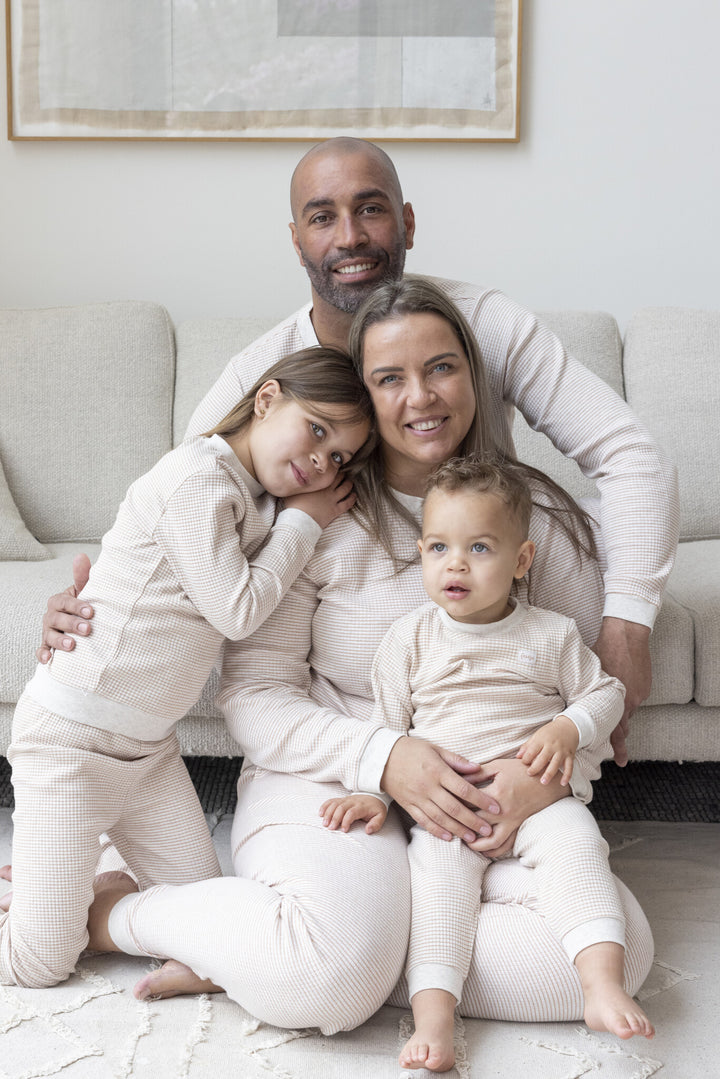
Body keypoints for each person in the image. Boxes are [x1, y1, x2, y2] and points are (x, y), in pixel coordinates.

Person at [75, 279, 657, 1040]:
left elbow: (574, 690)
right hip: (333, 779)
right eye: (389, 379)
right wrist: (385, 757)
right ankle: (118, 913)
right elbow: (253, 695)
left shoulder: (532, 523)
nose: (421, 397)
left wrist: (534, 779)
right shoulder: (307, 520)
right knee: (328, 982)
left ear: (475, 379)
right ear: (364, 395)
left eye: (443, 368)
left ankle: (302, 940)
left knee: (615, 952)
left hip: (483, 804)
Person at [39, 137, 678, 770]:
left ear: (407, 222)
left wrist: (626, 627)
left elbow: (629, 454)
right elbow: (180, 499)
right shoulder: (266, 375)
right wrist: (96, 602)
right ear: (296, 242)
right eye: (323, 217)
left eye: (371, 209)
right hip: (350, 586)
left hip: (484, 569)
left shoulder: (487, 322)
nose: (350, 236)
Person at [0, 347, 373, 988]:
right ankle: (47, 895)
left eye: (338, 456)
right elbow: (237, 609)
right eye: (317, 430)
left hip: (148, 755)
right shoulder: (198, 477)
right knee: (37, 965)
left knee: (207, 906)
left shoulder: (254, 498)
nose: (321, 461)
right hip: (71, 742)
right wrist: (304, 524)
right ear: (266, 399)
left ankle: (82, 883)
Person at [320, 455, 655, 1072]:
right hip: (449, 813)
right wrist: (375, 793)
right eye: (440, 547)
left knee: (581, 852)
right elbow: (388, 732)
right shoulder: (410, 640)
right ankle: (434, 1022)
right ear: (421, 552)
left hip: (539, 805)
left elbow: (604, 694)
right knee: (437, 894)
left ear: (521, 561)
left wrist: (565, 726)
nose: (456, 563)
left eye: (480, 547)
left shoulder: (549, 635)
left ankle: (601, 984)